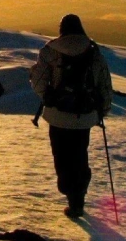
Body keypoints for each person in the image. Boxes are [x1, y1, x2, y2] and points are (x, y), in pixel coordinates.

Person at [29, 14, 114, 218]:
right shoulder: (93, 52)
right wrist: (102, 111)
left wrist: (48, 98)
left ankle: (70, 195)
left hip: (57, 116)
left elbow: (38, 80)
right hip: (83, 117)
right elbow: (104, 85)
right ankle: (79, 198)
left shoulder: (50, 51)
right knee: (79, 156)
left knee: (62, 157)